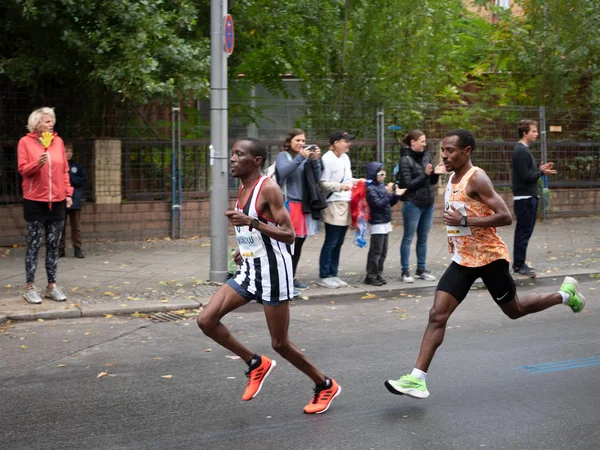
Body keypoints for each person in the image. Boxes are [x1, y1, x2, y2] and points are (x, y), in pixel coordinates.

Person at [384, 129, 585, 400]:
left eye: (450, 150)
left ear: (466, 151)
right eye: (443, 149)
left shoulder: (476, 177)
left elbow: (505, 216)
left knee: (515, 310)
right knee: (437, 315)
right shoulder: (453, 177)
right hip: (464, 260)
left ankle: (564, 295)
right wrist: (455, 237)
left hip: (489, 258)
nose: (445, 154)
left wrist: (465, 222)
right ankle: (417, 379)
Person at [197, 137, 341, 415]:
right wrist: (244, 246)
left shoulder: (269, 188)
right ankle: (255, 363)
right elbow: (256, 228)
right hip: (250, 268)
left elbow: (289, 234)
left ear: (257, 160)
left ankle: (325, 384)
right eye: (232, 154)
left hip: (274, 272)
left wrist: (252, 223)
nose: (233, 159)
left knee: (280, 344)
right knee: (206, 320)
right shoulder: (243, 186)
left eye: (239, 154)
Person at [17, 107, 73, 304]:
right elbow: (23, 170)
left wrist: (68, 193)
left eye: (52, 120)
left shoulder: (58, 142)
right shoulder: (25, 142)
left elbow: (65, 170)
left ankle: (51, 286)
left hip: (57, 201)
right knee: (33, 244)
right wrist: (37, 164)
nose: (51, 123)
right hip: (35, 200)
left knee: (53, 244)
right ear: (36, 124)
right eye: (47, 121)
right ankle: (30, 287)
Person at [275, 129, 324, 292]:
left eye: (303, 141)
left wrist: (315, 160)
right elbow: (283, 172)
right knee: (288, 244)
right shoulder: (284, 156)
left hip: (304, 205)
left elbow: (316, 178)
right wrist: (300, 158)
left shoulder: (306, 157)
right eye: (298, 140)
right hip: (289, 204)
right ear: (289, 141)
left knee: (298, 245)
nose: (301, 143)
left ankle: (291, 276)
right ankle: (283, 279)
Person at [396, 130, 446, 283]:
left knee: (423, 238)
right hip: (413, 203)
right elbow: (407, 184)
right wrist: (425, 175)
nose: (425, 144)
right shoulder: (405, 160)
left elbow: (430, 182)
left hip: (428, 203)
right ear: (413, 142)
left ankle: (421, 269)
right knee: (408, 238)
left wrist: (435, 174)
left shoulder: (426, 156)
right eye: (422, 141)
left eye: (425, 141)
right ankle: (405, 271)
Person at [511, 119, 557, 278]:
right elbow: (526, 177)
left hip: (528, 197)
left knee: (525, 232)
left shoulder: (524, 150)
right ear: (525, 133)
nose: (536, 134)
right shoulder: (521, 151)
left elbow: (528, 174)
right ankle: (518, 265)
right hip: (524, 198)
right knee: (523, 233)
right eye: (534, 131)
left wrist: (539, 170)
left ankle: (519, 263)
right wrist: (541, 173)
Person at [317, 130, 358, 289]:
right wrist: (339, 187)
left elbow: (348, 179)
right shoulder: (327, 159)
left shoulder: (345, 157)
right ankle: (324, 275)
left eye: (349, 141)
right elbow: (322, 182)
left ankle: (333, 273)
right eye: (345, 141)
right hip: (333, 203)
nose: (348, 144)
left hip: (345, 202)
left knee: (339, 241)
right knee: (331, 241)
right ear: (335, 143)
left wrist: (358, 181)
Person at [363, 162, 404, 286]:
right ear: (374, 174)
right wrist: (389, 193)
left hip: (385, 222)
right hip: (377, 224)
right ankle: (370, 275)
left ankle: (378, 273)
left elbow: (387, 203)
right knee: (376, 252)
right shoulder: (371, 189)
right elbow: (378, 204)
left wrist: (396, 196)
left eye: (384, 173)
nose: (384, 175)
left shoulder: (381, 186)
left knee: (383, 252)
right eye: (381, 173)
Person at [60, 142, 87, 258]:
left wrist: (71, 178)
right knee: (61, 226)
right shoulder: (59, 165)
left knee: (76, 227)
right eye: (66, 151)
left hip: (75, 200)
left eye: (70, 151)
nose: (69, 153)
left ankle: (77, 248)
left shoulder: (77, 167)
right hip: (61, 200)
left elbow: (82, 180)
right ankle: (60, 249)